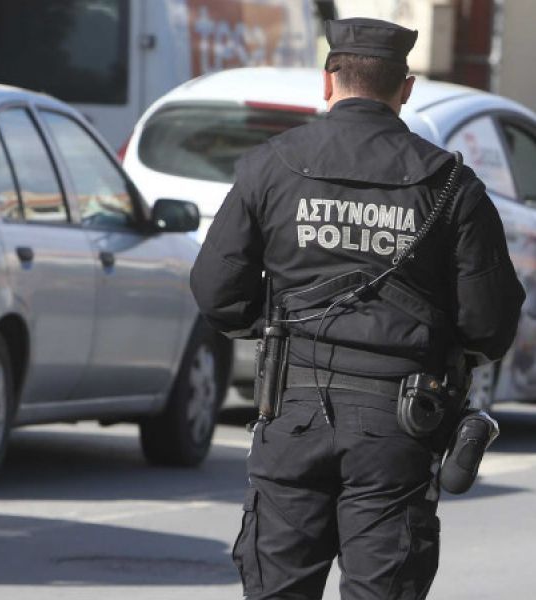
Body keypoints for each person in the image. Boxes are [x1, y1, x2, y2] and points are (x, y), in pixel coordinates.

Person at [190, 18, 525, 600]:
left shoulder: (270, 164)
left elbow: (217, 291)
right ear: (406, 88)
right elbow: (489, 324)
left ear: (328, 82)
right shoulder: (451, 185)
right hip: (399, 428)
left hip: (290, 415)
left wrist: (273, 323)